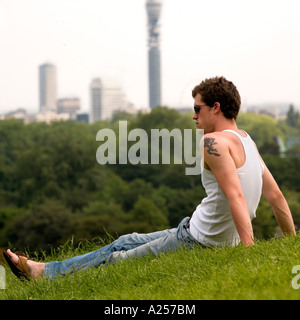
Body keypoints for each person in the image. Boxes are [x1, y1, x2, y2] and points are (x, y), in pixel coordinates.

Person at [3, 76, 296, 281]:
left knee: (118, 260)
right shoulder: (247, 141)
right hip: (198, 230)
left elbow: (237, 197)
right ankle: (44, 269)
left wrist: (248, 251)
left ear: (215, 107)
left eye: (197, 108)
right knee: (125, 240)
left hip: (197, 239)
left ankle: (45, 274)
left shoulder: (213, 143)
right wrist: (290, 242)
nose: (194, 117)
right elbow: (276, 197)